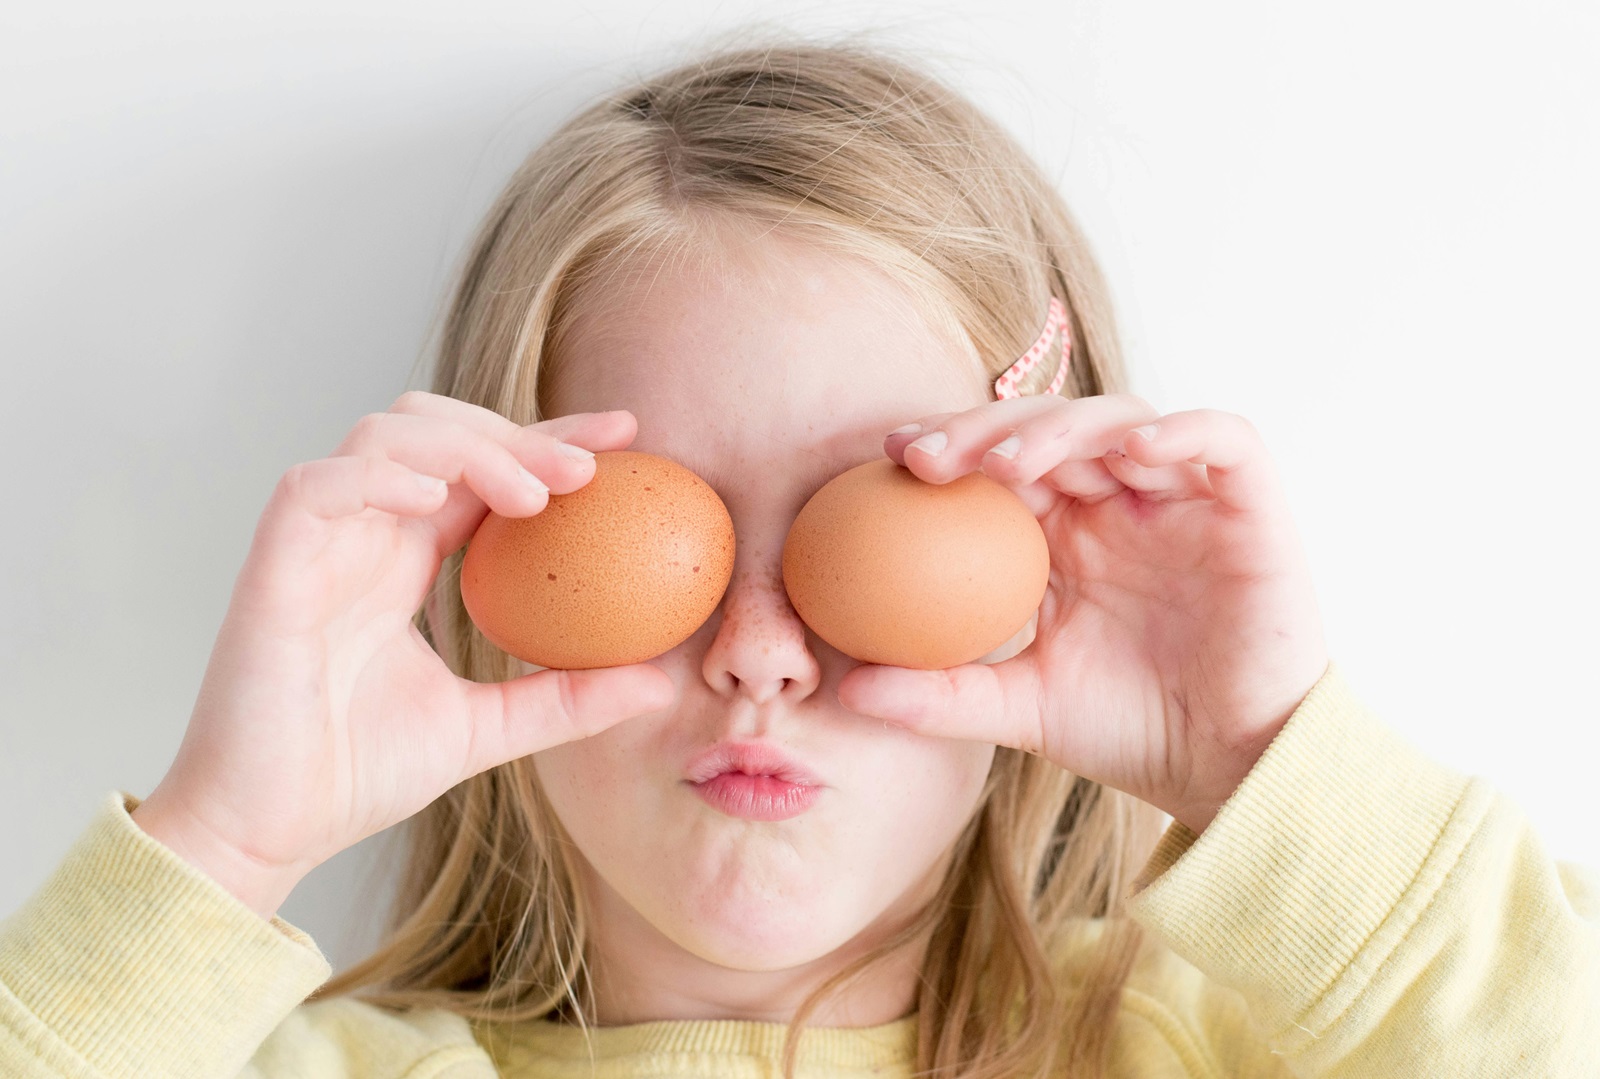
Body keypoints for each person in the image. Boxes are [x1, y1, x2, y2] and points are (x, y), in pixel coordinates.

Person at [2, 33, 1596, 1079]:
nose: (759, 651)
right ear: (485, 567)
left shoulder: (1249, 1045)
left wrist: (1259, 762)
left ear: (1043, 565)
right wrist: (222, 843)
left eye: (875, 523)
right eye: (657, 531)